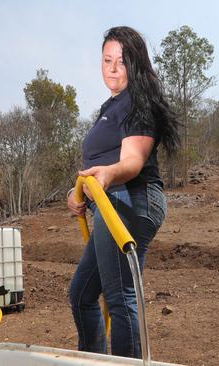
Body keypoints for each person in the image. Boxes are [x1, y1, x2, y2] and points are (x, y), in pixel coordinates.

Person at [66, 26, 180, 358]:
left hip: (131, 198)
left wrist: (107, 176)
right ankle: (94, 361)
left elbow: (132, 161)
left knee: (120, 297)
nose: (113, 68)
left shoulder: (138, 102)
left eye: (122, 60)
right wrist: (79, 196)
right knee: (83, 295)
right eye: (107, 60)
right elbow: (99, 166)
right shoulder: (109, 107)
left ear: (136, 64)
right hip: (108, 201)